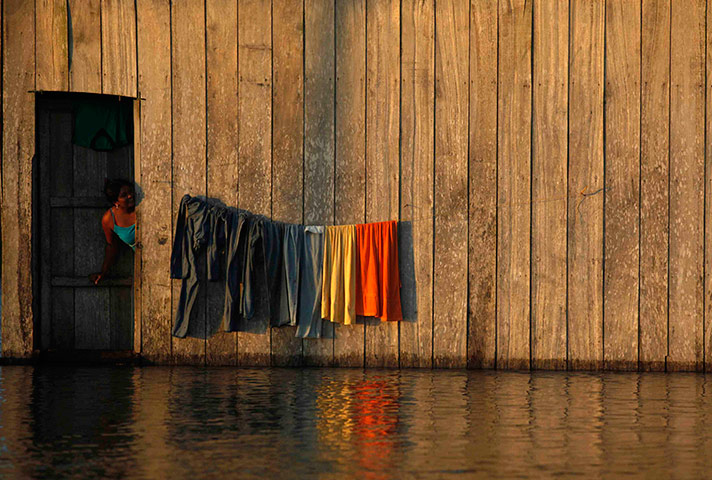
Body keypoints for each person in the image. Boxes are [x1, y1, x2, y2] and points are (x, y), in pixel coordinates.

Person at [90, 179, 136, 285]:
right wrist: (104, 272)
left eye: (130, 191)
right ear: (116, 202)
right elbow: (112, 246)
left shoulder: (144, 206)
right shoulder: (109, 219)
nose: (130, 196)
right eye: (124, 195)